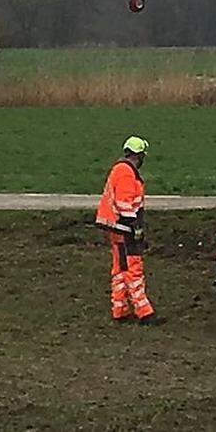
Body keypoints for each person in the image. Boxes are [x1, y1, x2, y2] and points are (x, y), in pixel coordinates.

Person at [94, 136, 162, 325]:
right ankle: (145, 312)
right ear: (139, 156)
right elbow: (125, 205)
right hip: (124, 228)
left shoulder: (120, 170)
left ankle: (120, 309)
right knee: (134, 269)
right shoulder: (126, 173)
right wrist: (135, 228)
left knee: (120, 269)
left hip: (116, 228)